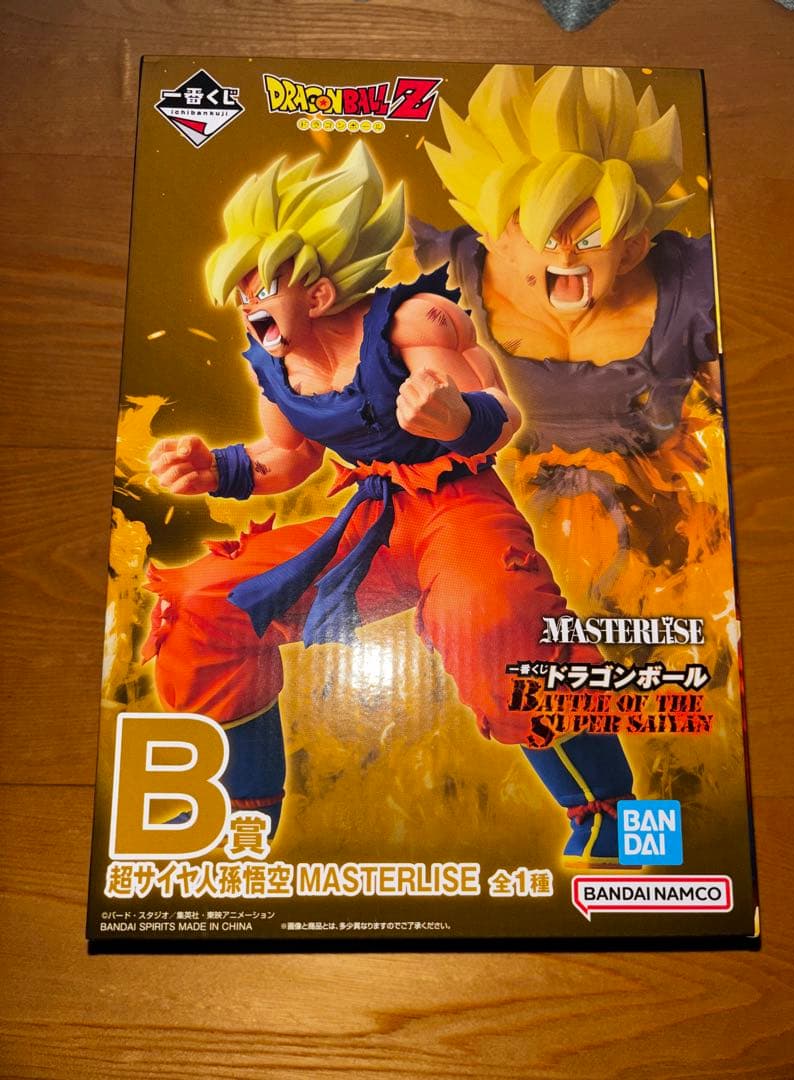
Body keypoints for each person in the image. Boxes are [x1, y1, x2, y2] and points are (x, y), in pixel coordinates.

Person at [144, 142, 634, 865]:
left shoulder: (413, 324)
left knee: (493, 619)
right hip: (375, 520)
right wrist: (215, 467)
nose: (250, 308)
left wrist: (456, 416)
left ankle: (609, 810)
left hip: (459, 505)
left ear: (317, 293)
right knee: (205, 603)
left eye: (263, 288)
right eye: (243, 294)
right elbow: (288, 457)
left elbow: (500, 410)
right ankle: (246, 814)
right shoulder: (275, 363)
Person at [420, 65, 726, 618]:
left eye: (590, 236)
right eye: (544, 235)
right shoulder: (439, 272)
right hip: (495, 534)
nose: (565, 255)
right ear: (499, 240)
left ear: (633, 247)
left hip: (662, 540)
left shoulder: (696, 282)